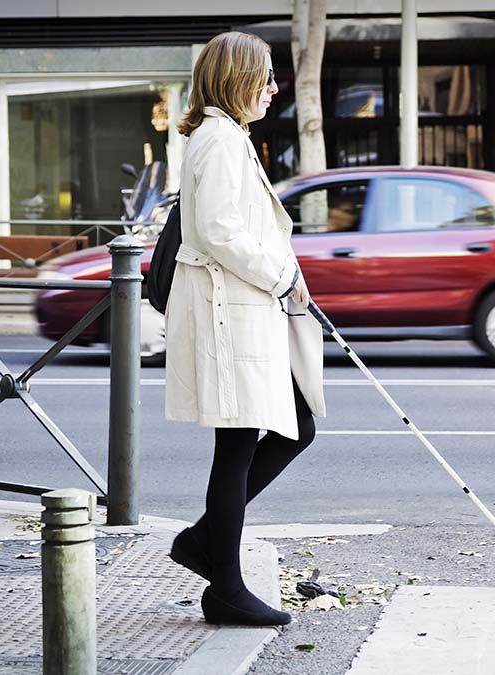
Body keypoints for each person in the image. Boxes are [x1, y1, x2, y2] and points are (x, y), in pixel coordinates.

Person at [163, 31, 326, 627]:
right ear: (238, 80)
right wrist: (284, 276)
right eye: (266, 78)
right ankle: (223, 582)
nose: (274, 89)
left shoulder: (223, 137)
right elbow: (221, 231)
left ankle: (209, 550)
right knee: (246, 442)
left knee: (284, 428)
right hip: (229, 311)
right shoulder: (221, 141)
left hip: (235, 308)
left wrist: (283, 276)